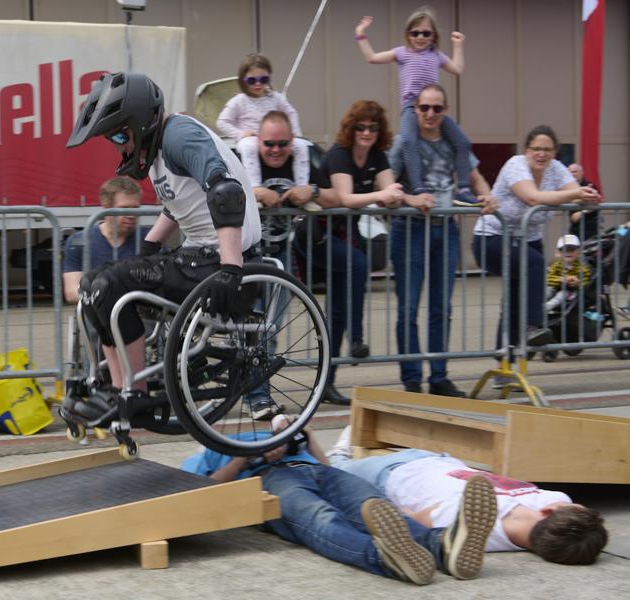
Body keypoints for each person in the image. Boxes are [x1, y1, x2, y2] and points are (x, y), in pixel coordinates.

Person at [65, 72, 261, 409]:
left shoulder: (179, 136)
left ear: (139, 123)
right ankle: (118, 388)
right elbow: (178, 205)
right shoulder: (159, 150)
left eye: (118, 137)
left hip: (223, 261)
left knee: (109, 283)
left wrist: (231, 269)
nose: (120, 147)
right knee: (93, 284)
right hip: (197, 255)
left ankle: (134, 391)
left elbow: (225, 192)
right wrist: (149, 248)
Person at [181, 415, 499, 585]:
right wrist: (244, 458)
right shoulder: (212, 448)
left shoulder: (278, 431)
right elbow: (203, 493)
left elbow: (327, 466)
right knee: (320, 517)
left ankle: (444, 546)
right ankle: (384, 558)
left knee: (371, 505)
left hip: (315, 470)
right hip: (266, 480)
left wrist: (304, 435)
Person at [327, 427, 608, 564]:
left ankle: (339, 455)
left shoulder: (476, 531)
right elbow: (570, 510)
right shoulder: (548, 505)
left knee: (335, 469)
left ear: (549, 515)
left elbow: (411, 520)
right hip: (441, 461)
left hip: (391, 475)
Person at [387, 84, 497, 396]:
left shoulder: (453, 141)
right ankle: (411, 378)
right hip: (409, 229)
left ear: (445, 111)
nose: (431, 114)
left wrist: (486, 196)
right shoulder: (403, 143)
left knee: (441, 307)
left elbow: (476, 179)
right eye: (425, 108)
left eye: (437, 108)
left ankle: (438, 377)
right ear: (415, 109)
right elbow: (388, 187)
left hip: (445, 229)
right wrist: (411, 198)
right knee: (408, 308)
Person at [295, 100, 407, 405]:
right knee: (359, 264)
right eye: (361, 126)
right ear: (351, 128)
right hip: (318, 235)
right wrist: (384, 195)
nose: (366, 132)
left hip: (346, 236)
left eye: (373, 127)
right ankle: (357, 339)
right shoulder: (340, 154)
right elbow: (345, 197)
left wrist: (410, 197)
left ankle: (326, 385)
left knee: (337, 315)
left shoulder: (378, 155)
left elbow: (391, 192)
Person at [472, 125, 602, 358]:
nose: (542, 154)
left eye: (547, 150)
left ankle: (505, 361)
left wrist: (588, 196)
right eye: (536, 149)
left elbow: (577, 192)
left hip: (528, 239)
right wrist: (577, 194)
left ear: (554, 153)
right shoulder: (515, 165)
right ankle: (533, 327)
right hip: (492, 237)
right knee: (535, 264)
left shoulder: (556, 169)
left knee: (514, 300)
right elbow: (533, 197)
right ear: (526, 150)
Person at [243, 110, 338, 414]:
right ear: (257, 140)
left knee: (269, 330)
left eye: (282, 144)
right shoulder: (242, 156)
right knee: (250, 329)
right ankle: (254, 396)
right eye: (269, 143)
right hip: (246, 255)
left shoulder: (302, 158)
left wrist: (313, 190)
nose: (275, 150)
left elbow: (337, 197)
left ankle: (257, 395)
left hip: (280, 257)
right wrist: (254, 191)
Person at [354, 7, 478, 207]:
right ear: (408, 35)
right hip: (412, 107)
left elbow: (457, 69)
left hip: (433, 107)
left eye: (426, 33)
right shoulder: (402, 53)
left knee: (462, 142)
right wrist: (361, 35)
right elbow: (372, 58)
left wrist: (458, 45)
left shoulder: (436, 55)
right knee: (407, 142)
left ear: (433, 36)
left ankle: (463, 188)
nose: (420, 37)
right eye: (415, 33)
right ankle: (418, 187)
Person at [216, 54, 311, 193]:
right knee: (248, 147)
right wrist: (240, 134)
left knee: (302, 146)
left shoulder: (276, 97)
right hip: (250, 139)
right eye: (252, 80)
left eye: (264, 79)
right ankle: (256, 189)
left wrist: (295, 134)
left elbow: (291, 113)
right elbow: (222, 122)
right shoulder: (239, 100)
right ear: (243, 80)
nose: (258, 84)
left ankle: (302, 187)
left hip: (275, 140)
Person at [62, 176, 147, 304]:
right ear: (106, 209)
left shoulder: (149, 239)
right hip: (96, 318)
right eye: (124, 209)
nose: (131, 215)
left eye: (135, 209)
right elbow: (72, 292)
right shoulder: (78, 242)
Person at [545, 234, 590, 312]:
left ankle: (548, 306)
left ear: (578, 252)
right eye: (564, 249)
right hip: (555, 286)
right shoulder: (556, 265)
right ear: (558, 253)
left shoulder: (581, 267)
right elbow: (549, 278)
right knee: (547, 291)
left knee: (562, 295)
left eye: (572, 249)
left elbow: (586, 278)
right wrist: (561, 279)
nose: (568, 252)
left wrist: (578, 282)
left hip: (570, 290)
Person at [567, 163, 600, 242]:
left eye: (574, 172)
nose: (572, 174)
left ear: (582, 173)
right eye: (570, 172)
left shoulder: (590, 186)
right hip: (575, 230)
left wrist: (583, 211)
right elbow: (574, 218)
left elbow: (597, 202)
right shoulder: (568, 189)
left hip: (591, 229)